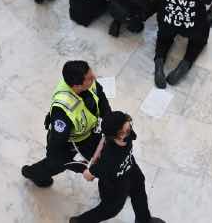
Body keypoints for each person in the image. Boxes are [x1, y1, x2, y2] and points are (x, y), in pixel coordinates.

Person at [21, 59, 112, 187]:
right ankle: (34, 173)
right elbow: (57, 149)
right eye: (90, 78)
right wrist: (83, 168)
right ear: (77, 86)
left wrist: (110, 121)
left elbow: (101, 97)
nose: (94, 78)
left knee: (110, 158)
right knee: (55, 164)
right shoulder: (62, 111)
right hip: (70, 142)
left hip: (90, 133)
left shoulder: (88, 82)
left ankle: (117, 186)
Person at [70, 111, 167, 223]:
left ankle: (143, 220)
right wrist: (88, 171)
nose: (129, 132)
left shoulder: (127, 134)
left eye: (129, 127)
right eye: (124, 132)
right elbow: (89, 175)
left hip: (130, 168)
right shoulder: (109, 159)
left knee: (139, 184)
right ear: (114, 137)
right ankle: (80, 221)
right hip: (115, 185)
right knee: (111, 209)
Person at [153, 0, 212, 87]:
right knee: (200, 35)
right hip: (190, 26)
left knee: (163, 38)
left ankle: (159, 63)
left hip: (168, 21)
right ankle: (185, 64)